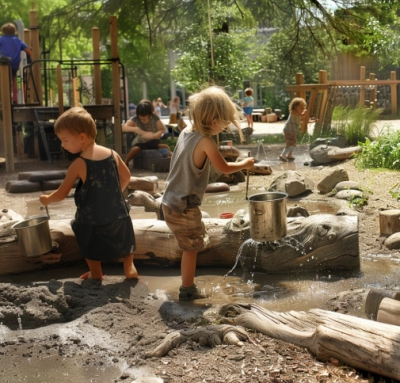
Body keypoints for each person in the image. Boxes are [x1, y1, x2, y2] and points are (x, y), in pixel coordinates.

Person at [161, 86, 255, 300]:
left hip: (170, 200)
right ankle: (187, 290)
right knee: (191, 248)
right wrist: (245, 164)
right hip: (184, 207)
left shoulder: (187, 132)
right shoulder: (205, 142)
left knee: (190, 243)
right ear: (213, 119)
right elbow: (224, 168)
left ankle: (187, 285)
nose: (224, 128)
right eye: (224, 122)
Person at [39, 107, 138, 281]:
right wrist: (114, 195)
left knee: (82, 229)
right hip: (119, 217)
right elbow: (127, 176)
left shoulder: (79, 164)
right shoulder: (112, 154)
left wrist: (47, 199)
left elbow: (61, 194)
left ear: (82, 137)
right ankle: (129, 268)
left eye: (65, 140)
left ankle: (96, 273)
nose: (63, 145)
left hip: (92, 222)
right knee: (125, 237)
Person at [122, 99, 171, 166]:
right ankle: (125, 162)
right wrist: (138, 130)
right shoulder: (135, 119)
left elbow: (163, 129)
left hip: (152, 143)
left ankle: (170, 162)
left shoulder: (155, 118)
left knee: (165, 147)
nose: (143, 120)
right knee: (135, 149)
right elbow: (123, 128)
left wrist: (154, 135)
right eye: (141, 118)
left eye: (145, 118)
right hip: (140, 144)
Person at [0, 23, 32, 104]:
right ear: (14, 32)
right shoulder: (17, 40)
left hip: (4, 63)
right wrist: (29, 60)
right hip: (15, 64)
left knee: (2, 79)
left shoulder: (1, 39)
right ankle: (14, 98)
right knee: (14, 79)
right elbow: (28, 51)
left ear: (3, 32)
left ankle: (3, 97)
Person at [279, 97, 316, 162]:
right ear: (295, 106)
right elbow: (302, 115)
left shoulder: (298, 114)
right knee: (290, 143)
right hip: (289, 130)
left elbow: (305, 120)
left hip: (293, 131)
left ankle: (289, 155)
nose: (303, 109)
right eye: (301, 107)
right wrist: (305, 112)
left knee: (294, 144)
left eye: (303, 108)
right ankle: (282, 155)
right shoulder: (293, 112)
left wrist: (313, 121)